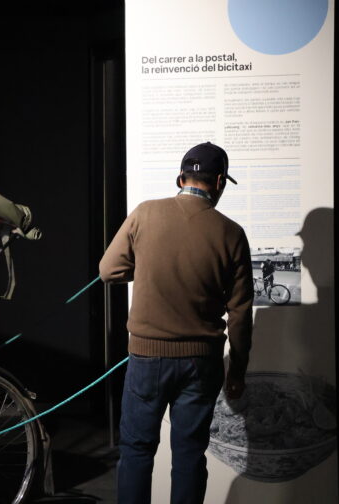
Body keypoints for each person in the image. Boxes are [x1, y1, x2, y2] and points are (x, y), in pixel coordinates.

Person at [100, 142, 253, 504]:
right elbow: (240, 312)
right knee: (189, 456)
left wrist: (147, 267)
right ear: (219, 182)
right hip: (202, 362)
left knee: (137, 451)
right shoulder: (232, 233)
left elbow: (109, 270)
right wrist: (237, 370)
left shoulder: (145, 213)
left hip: (146, 359)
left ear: (180, 178)